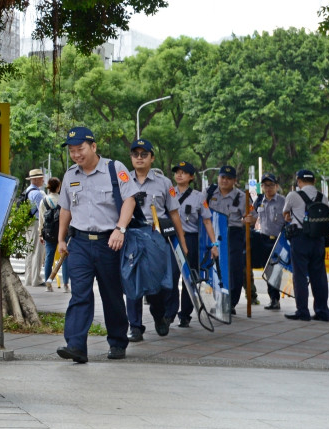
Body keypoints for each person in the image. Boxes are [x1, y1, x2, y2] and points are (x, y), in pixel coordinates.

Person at [55, 126, 135, 363]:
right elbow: (65, 209)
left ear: (93, 146)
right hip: (79, 242)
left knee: (111, 295)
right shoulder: (70, 176)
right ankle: (76, 345)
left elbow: (130, 199)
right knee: (79, 293)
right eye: (72, 151)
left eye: (80, 149)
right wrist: (61, 239)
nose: (76, 155)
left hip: (109, 242)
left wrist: (120, 229)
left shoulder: (114, 169)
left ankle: (118, 341)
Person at [121, 139, 187, 341]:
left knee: (157, 283)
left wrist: (182, 244)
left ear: (152, 158)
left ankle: (159, 316)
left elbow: (174, 214)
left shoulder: (164, 182)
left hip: (155, 237)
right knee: (131, 282)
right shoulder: (123, 180)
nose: (139, 158)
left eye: (144, 154)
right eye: (135, 154)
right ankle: (135, 327)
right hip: (131, 235)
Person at [171, 162, 219, 327]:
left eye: (184, 173)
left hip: (190, 239)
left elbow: (207, 221)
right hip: (172, 239)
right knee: (171, 277)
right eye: (177, 172)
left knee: (189, 278)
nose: (179, 175)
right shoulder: (169, 192)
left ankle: (185, 314)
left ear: (191, 177)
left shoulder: (199, 197)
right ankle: (169, 312)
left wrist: (214, 243)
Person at [282, 169, 329, 322]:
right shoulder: (323, 198)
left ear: (299, 181)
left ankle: (303, 311)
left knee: (300, 276)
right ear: (314, 181)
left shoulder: (293, 195)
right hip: (319, 240)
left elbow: (286, 214)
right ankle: (322, 312)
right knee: (319, 276)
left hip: (300, 238)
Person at [205, 165, 255, 314]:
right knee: (215, 268)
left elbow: (253, 217)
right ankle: (219, 300)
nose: (224, 181)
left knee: (233, 269)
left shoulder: (242, 197)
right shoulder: (209, 193)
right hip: (213, 234)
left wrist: (249, 219)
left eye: (228, 178)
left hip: (233, 234)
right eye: (222, 177)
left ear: (234, 180)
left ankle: (231, 302)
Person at [253, 173, 285, 310]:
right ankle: (271, 298)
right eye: (265, 185)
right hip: (263, 239)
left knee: (276, 271)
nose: (268, 188)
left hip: (278, 241)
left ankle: (275, 299)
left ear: (276, 186)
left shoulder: (283, 201)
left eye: (271, 185)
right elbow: (252, 216)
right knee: (267, 271)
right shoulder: (259, 201)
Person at [40, 177, 68, 292]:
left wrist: (40, 234)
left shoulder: (44, 200)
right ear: (58, 187)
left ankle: (48, 283)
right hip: (63, 231)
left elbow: (42, 219)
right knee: (64, 258)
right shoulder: (63, 200)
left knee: (49, 258)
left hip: (49, 232)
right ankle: (66, 284)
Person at [22, 169, 47, 287]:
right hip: (36, 223)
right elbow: (42, 212)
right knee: (38, 251)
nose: (43, 180)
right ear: (36, 179)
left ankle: (29, 279)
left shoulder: (28, 191)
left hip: (28, 223)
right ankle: (36, 279)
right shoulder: (37, 193)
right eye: (41, 178)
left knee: (29, 252)